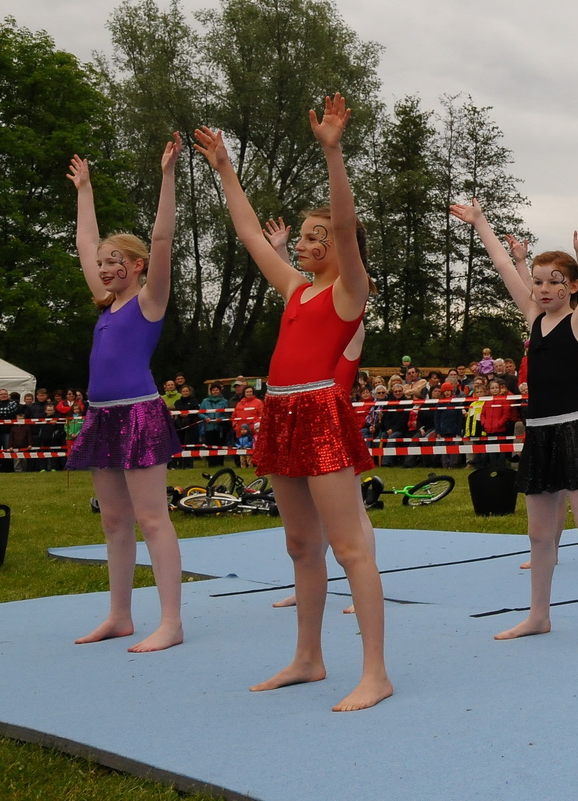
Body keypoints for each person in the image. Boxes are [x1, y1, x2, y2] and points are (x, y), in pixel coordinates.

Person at [193, 97, 391, 711]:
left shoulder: (348, 291)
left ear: (339, 244)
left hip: (320, 417)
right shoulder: (295, 290)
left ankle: (376, 672)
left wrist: (332, 150)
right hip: (281, 415)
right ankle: (308, 657)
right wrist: (226, 170)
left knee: (350, 546)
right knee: (300, 546)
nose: (303, 243)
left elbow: (345, 218)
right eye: (302, 236)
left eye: (315, 236)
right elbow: (251, 233)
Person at [450, 169, 578, 648]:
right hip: (540, 434)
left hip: (573, 429)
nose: (544, 288)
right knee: (539, 535)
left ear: (571, 287)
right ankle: (538, 615)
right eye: (539, 282)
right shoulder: (534, 321)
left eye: (555, 282)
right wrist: (482, 224)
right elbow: (507, 270)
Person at [64, 135, 185, 652]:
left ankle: (172, 622)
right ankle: (119, 615)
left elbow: (162, 240)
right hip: (101, 416)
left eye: (116, 261)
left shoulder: (149, 301)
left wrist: (167, 176)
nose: (105, 266)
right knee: (113, 520)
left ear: (135, 267)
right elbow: (84, 243)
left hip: (138, 414)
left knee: (152, 517)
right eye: (102, 261)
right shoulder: (105, 305)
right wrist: (84, 190)